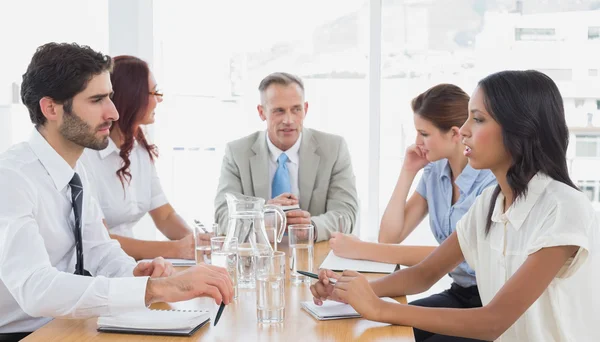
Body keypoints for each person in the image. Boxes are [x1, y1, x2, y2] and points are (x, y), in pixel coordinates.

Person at [310, 70, 600, 341]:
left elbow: (493, 321)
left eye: (478, 119)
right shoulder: (490, 203)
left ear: (519, 129)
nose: (463, 130)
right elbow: (424, 274)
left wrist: (379, 308)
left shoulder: (563, 208)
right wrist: (347, 292)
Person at [0, 43, 233, 340]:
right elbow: (35, 288)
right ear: (51, 108)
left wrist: (135, 274)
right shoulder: (10, 178)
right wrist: (156, 289)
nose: (112, 111)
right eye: (97, 100)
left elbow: (100, 250)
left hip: (71, 324)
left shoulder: (75, 169)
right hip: (24, 334)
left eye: (109, 96)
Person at [329, 84, 496, 341]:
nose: (417, 142)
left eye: (424, 134)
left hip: (489, 303)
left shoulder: (489, 184)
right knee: (383, 332)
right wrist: (408, 171)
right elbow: (390, 235)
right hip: (459, 293)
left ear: (454, 134)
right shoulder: (435, 171)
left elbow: (447, 257)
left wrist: (360, 248)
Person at [80, 55, 209, 261]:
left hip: (131, 267)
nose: (160, 99)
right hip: (100, 272)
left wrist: (197, 242)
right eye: (154, 92)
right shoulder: (85, 157)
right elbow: (98, 240)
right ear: (132, 96)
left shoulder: (139, 149)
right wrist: (174, 250)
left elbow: (165, 216)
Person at [214, 72, 359, 241]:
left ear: (305, 109)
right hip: (257, 257)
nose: (288, 120)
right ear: (262, 112)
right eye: (279, 111)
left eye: (296, 109)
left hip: (315, 256)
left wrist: (311, 227)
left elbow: (346, 214)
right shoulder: (237, 153)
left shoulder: (334, 148)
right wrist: (263, 216)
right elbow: (222, 216)